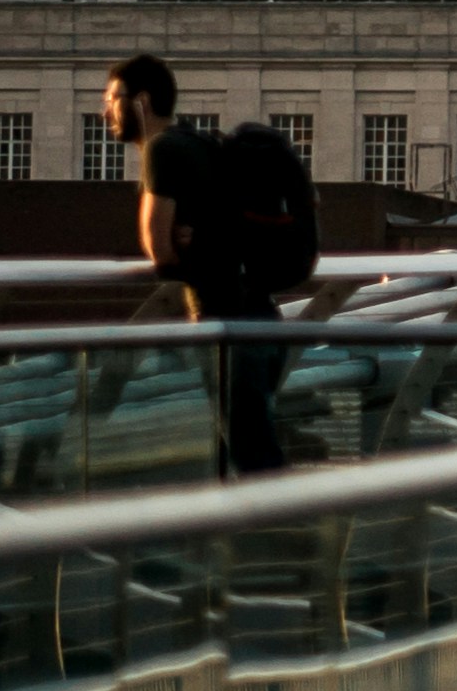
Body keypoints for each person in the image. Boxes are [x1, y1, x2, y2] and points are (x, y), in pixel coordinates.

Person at [113, 52, 317, 474]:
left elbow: (159, 249)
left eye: (113, 99)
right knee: (246, 453)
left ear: (141, 103)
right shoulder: (201, 143)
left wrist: (184, 242)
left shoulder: (163, 149)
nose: (106, 111)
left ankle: (280, 534)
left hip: (227, 325)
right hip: (263, 316)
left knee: (253, 462)